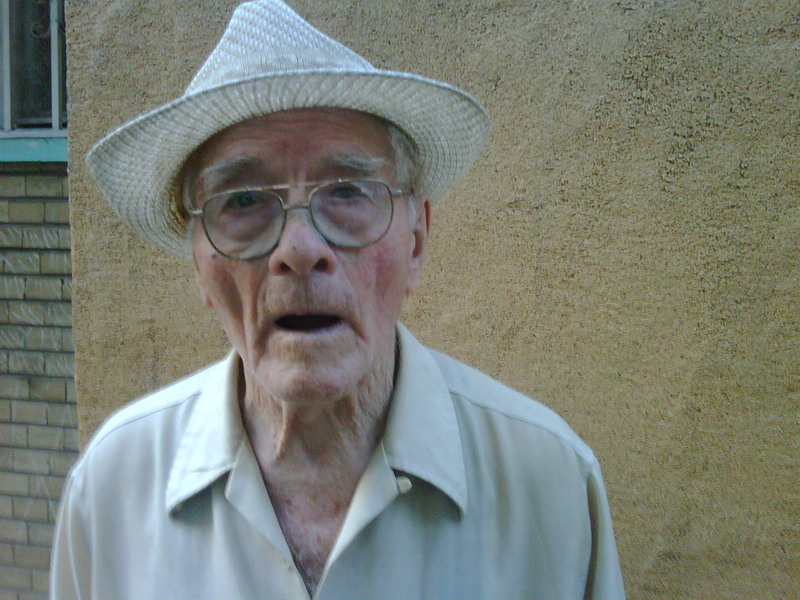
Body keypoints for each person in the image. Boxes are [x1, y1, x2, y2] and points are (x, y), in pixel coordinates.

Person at [51, 1, 625, 598]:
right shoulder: (112, 490)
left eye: (348, 192)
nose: (299, 249)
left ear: (417, 241)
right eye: (242, 201)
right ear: (200, 263)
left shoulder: (550, 485)